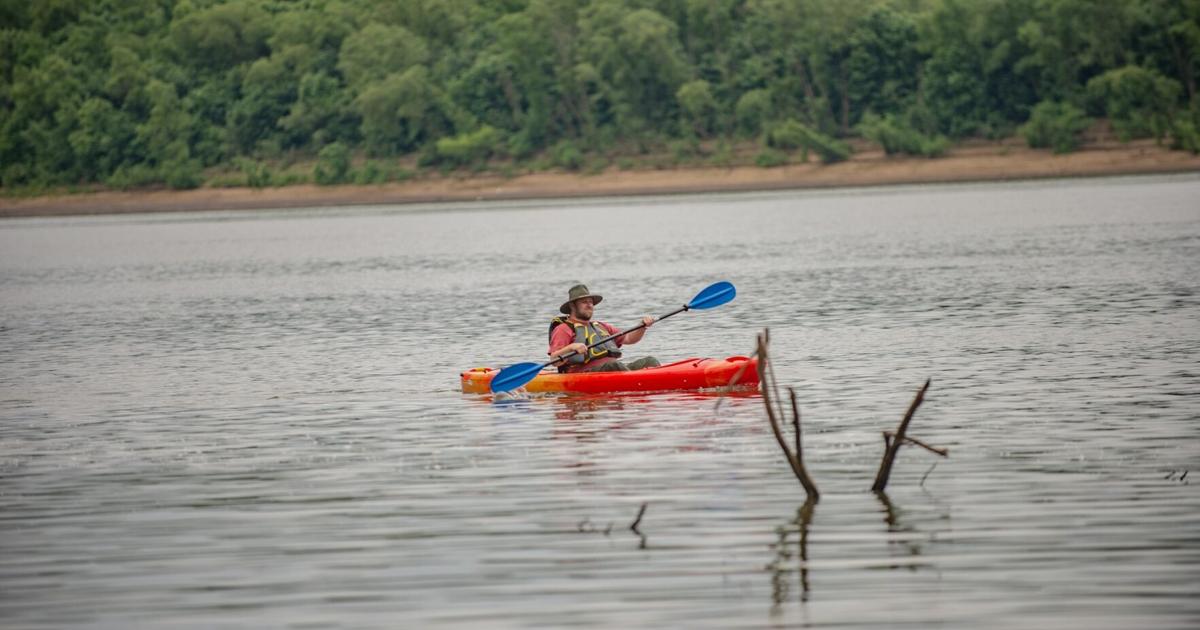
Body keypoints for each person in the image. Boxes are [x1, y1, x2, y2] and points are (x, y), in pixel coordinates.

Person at [547, 284, 661, 373]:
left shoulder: (601, 326)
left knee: (650, 361)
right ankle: (638, 381)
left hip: (615, 370)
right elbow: (554, 360)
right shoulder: (563, 329)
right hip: (584, 374)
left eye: (591, 302)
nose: (589, 305)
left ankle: (658, 381)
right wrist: (572, 347)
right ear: (572, 306)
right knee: (614, 365)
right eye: (584, 302)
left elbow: (629, 339)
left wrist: (642, 326)